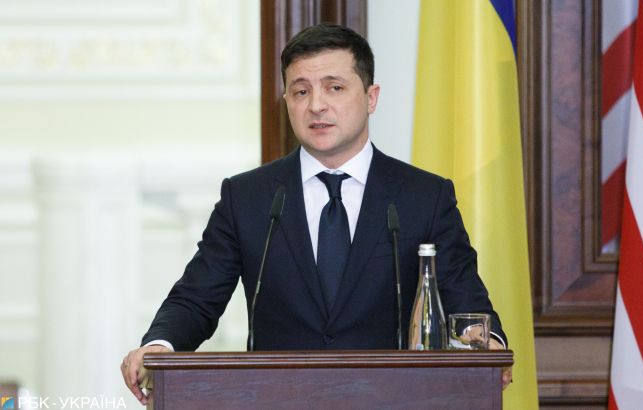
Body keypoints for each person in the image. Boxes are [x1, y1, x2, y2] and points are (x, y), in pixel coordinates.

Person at [120, 23, 512, 405]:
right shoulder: (248, 197)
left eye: (334, 87)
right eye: (301, 91)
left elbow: (463, 294)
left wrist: (489, 344)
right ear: (287, 101)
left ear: (371, 97)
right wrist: (158, 345)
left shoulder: (423, 196)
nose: (316, 105)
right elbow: (196, 298)